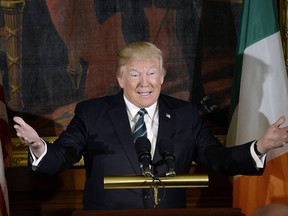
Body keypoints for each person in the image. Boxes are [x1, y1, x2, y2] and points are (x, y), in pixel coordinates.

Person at [13, 41, 288, 210]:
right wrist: (39, 146)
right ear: (120, 79)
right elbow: (61, 157)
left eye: (151, 73)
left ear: (162, 76)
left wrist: (260, 147)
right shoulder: (92, 113)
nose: (144, 83)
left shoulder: (184, 114)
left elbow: (218, 159)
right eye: (135, 74)